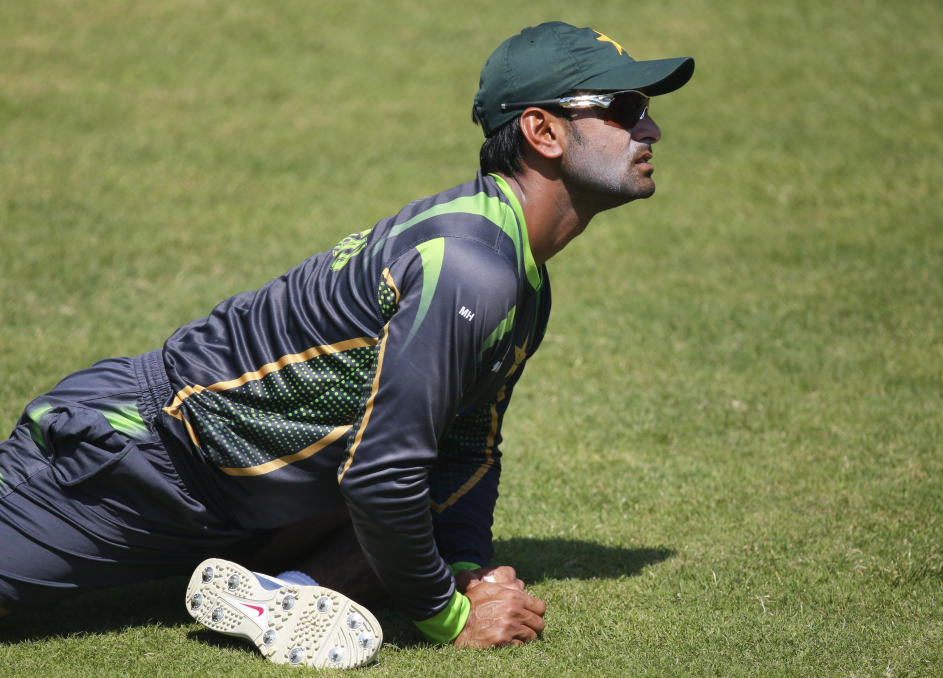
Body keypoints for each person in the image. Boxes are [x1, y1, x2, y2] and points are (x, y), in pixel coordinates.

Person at [0, 21, 693, 669]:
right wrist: (450, 617)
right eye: (625, 108)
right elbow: (382, 475)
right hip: (138, 455)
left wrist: (465, 568)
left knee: (419, 501)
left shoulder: (520, 279)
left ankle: (284, 592)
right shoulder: (470, 266)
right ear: (543, 130)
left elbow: (465, 451)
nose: (649, 126)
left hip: (234, 490)